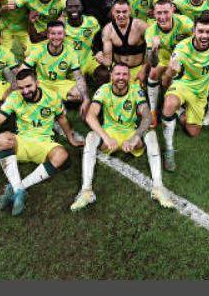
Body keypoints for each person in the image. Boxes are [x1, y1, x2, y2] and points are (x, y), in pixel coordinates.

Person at [71, 62, 174, 211]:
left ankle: (158, 188)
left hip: (130, 135)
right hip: (110, 136)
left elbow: (147, 117)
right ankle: (86, 191)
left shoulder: (136, 90)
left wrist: (135, 137)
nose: (121, 77)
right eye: (117, 74)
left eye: (125, 74)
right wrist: (106, 137)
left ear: (129, 76)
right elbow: (90, 116)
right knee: (91, 137)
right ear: (111, 76)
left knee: (151, 134)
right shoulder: (104, 90)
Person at [0, 68, 83, 217]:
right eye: (21, 87)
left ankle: (17, 188)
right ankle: (19, 190)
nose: (25, 91)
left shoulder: (52, 97)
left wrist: (71, 138)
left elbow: (62, 118)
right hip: (22, 141)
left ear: (37, 83)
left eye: (28, 86)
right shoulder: (14, 98)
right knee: (5, 137)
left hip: (44, 143)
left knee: (62, 155)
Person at [159, 14, 209, 171]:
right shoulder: (182, 48)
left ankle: (180, 112)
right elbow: (165, 81)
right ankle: (169, 149)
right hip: (183, 85)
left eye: (208, 32)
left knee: (193, 132)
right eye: (200, 31)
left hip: (201, 93)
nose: (204, 36)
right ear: (193, 31)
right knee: (170, 104)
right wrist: (170, 72)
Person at [21, 21, 90, 116]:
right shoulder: (38, 49)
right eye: (53, 33)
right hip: (42, 83)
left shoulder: (70, 51)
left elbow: (79, 77)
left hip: (60, 83)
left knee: (78, 94)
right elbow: (22, 70)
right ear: (48, 35)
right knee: (32, 93)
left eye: (59, 33)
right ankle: (54, 103)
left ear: (64, 34)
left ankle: (52, 100)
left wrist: (86, 99)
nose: (56, 37)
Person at [144, 0, 194, 127]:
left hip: (184, 60)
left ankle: (178, 107)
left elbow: (198, 41)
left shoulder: (185, 23)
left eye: (166, 12)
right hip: (165, 60)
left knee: (170, 80)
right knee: (153, 73)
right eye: (159, 13)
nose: (162, 17)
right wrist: (154, 49)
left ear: (172, 10)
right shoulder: (151, 31)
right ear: (154, 14)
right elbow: (152, 63)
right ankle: (153, 110)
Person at [97, 0, 149, 87]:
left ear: (130, 11)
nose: (121, 15)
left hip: (138, 68)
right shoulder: (108, 30)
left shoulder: (141, 26)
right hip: (118, 69)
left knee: (137, 92)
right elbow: (108, 61)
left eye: (124, 12)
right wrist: (102, 59)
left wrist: (144, 70)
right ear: (113, 12)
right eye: (118, 12)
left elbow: (151, 50)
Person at [62, 0, 101, 77]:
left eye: (77, 6)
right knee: (77, 83)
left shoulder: (91, 21)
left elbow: (101, 38)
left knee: (103, 74)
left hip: (88, 58)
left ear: (82, 7)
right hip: (71, 61)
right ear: (65, 10)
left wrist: (100, 52)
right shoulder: (62, 25)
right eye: (70, 7)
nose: (74, 9)